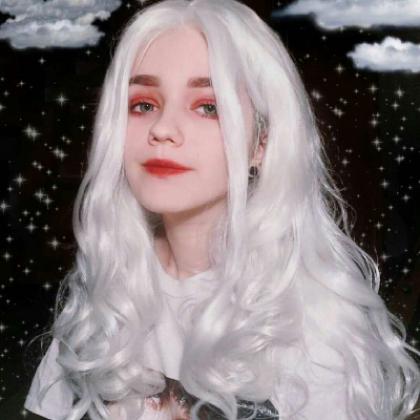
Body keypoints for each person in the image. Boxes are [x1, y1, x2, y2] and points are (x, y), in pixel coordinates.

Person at [23, 0, 420, 419]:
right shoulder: (106, 287)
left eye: (208, 107)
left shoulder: (312, 325)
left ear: (262, 143)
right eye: (143, 104)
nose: (162, 129)